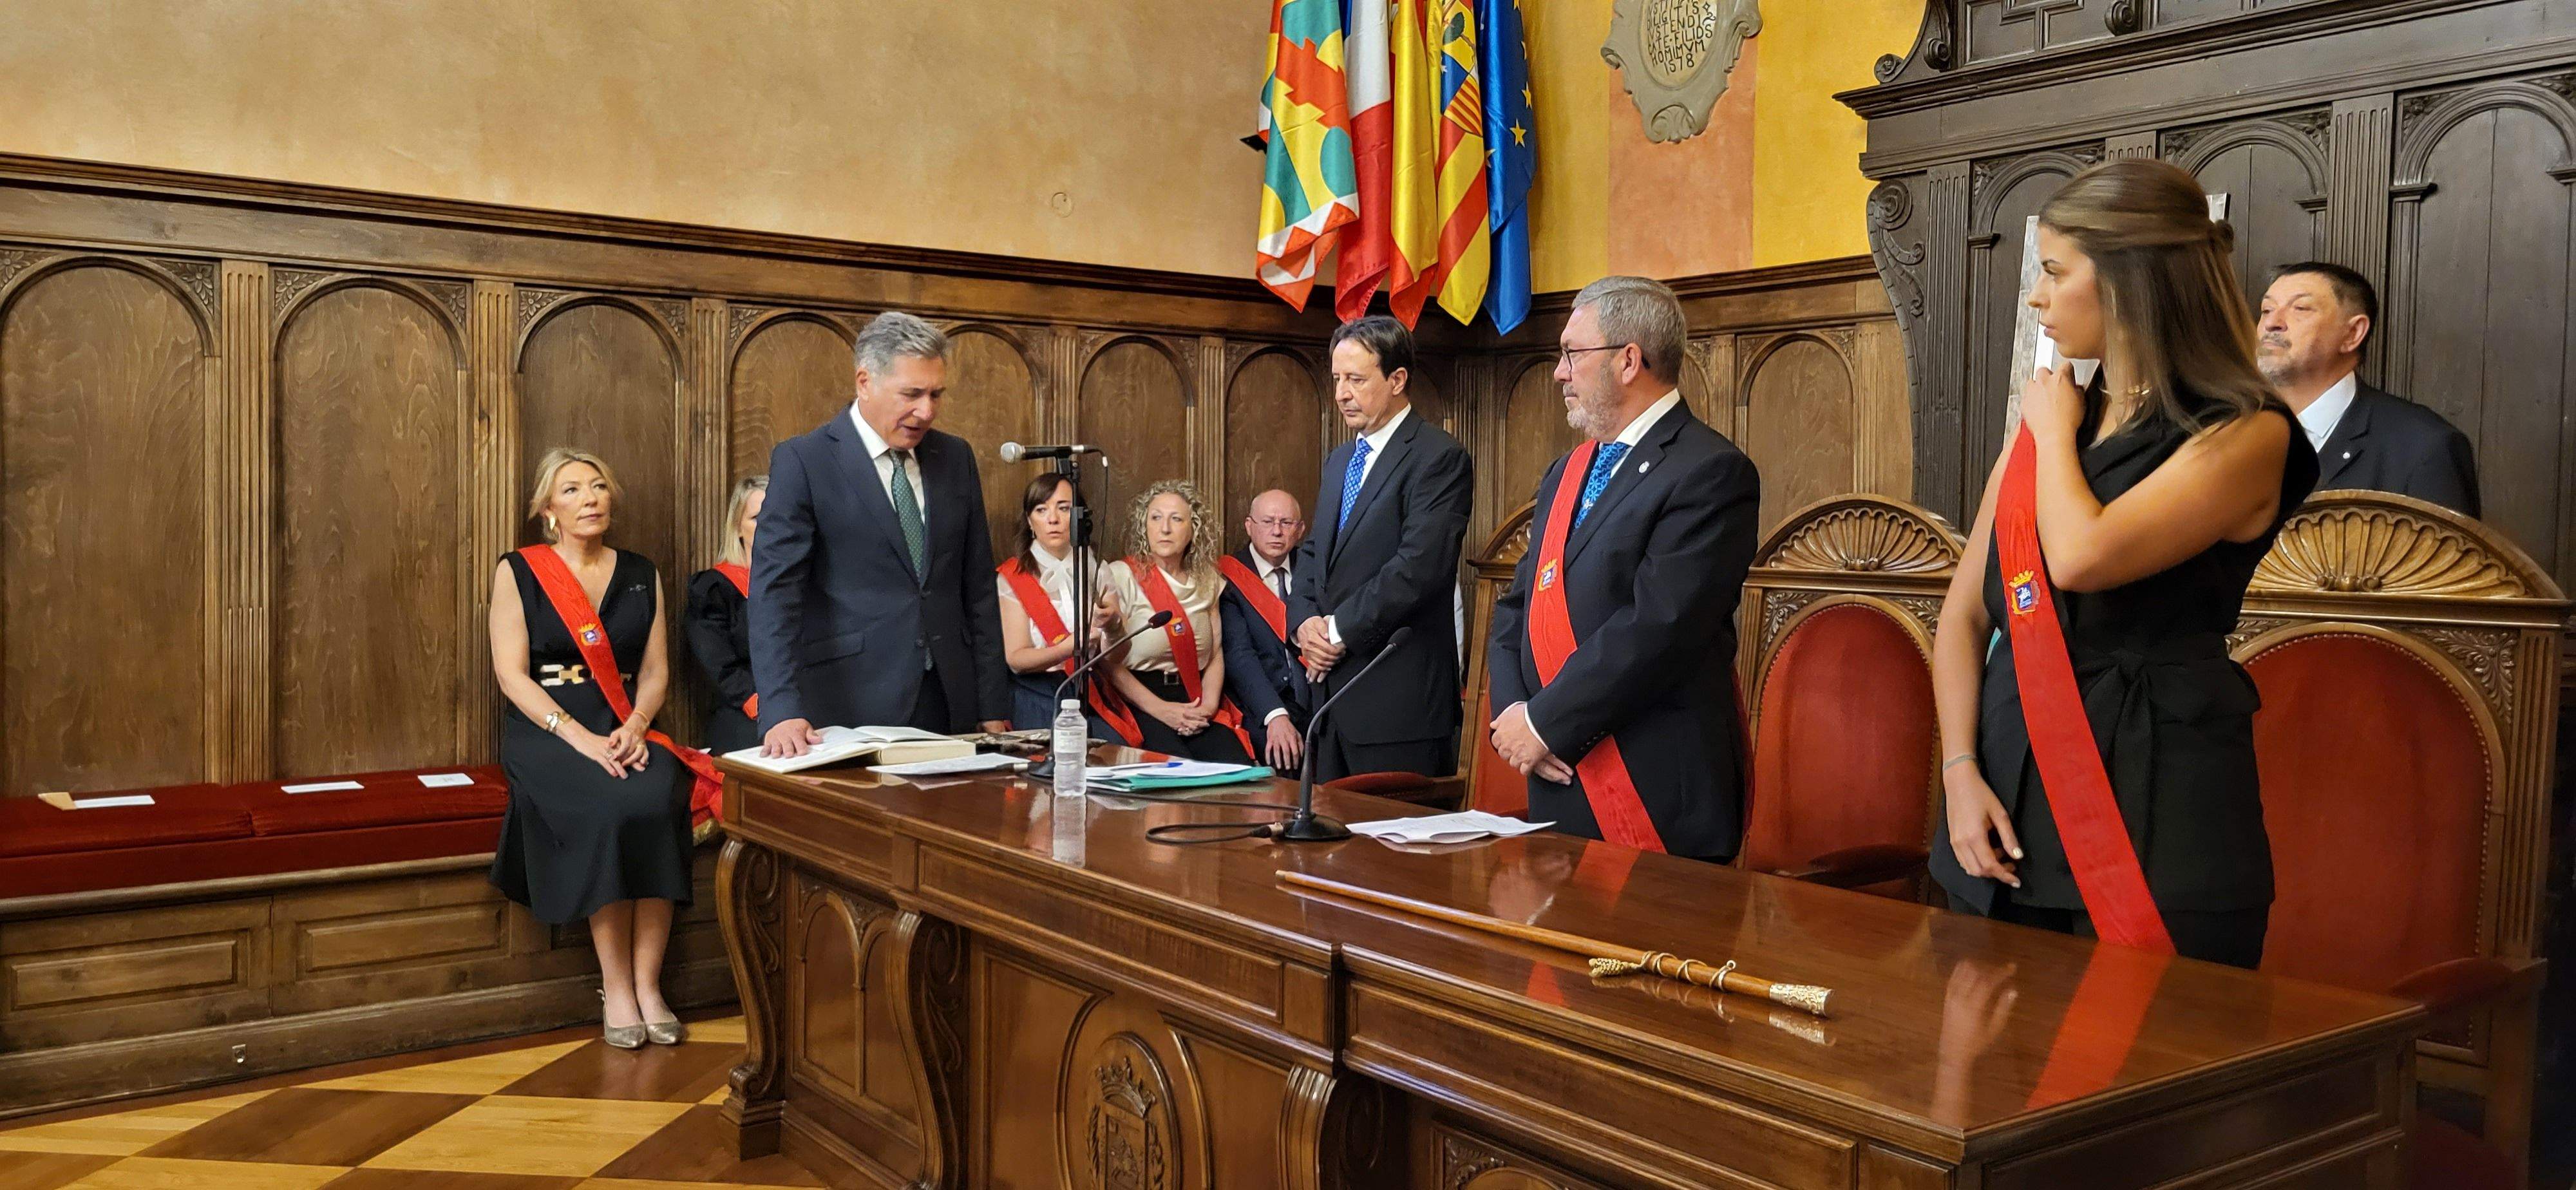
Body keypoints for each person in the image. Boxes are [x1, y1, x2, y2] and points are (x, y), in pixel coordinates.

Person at [1930, 159, 2319, 969]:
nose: (2036, 298)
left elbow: (2080, 556)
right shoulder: (2056, 420)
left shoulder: (2246, 430)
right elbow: (1964, 616)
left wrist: (2048, 435)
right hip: (2000, 803)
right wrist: (1959, 770)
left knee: (2147, 1041)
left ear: (2128, 279)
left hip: (2154, 811)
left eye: (2053, 271)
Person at [1486, 276, 1761, 863]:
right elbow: (1517, 607)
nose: (1559, 372)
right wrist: (1514, 715)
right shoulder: (1566, 471)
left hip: (1652, 784)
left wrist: (1544, 722)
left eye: (1572, 353)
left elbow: (1659, 628)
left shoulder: (1711, 471)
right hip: (1558, 772)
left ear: (1629, 361)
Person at [489, 448, 707, 1048]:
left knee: (660, 796)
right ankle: (617, 989)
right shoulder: (520, 571)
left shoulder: (640, 572)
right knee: (610, 805)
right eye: (572, 489)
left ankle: (649, 986)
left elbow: (656, 671)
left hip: (623, 725)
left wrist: (635, 726)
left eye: (598, 486)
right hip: (549, 730)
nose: (590, 498)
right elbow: (511, 676)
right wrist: (579, 737)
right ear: (548, 510)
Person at [750, 311, 1012, 755]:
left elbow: (979, 588)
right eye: (911, 394)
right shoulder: (805, 461)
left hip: (950, 698)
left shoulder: (955, 457)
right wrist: (780, 708)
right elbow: (775, 595)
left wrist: (992, 702)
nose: (926, 411)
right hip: (847, 701)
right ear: (865, 382)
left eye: (936, 394)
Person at [1288, 316, 1473, 780]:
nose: (1341, 394)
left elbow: (1418, 569)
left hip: (1397, 708)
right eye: (1337, 379)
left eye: (1356, 379)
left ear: (1397, 380)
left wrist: (1337, 631)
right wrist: (1305, 623)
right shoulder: (1339, 459)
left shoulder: (1438, 457)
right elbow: (1314, 553)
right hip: (1328, 702)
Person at [2255, 261, 2479, 516]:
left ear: (2353, 333)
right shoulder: (2234, 428)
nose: (2272, 323)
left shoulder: (2425, 447)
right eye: (2266, 310)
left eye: (2301, 308)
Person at [1101, 480, 1258, 764]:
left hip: (1195, 699)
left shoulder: (1207, 580)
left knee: (1238, 770)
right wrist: (1162, 710)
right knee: (1177, 773)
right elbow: (1108, 663)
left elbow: (1216, 654)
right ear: (1144, 526)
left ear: (1193, 528)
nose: (1165, 529)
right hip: (1141, 702)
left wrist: (1207, 707)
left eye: (1176, 519)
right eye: (1156, 518)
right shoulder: (1121, 576)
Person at [996, 472, 1132, 741]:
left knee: (1115, 751)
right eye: (1041, 510)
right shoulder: (1014, 576)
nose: (1053, 519)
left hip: (1091, 691)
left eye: (1064, 508)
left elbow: (1117, 657)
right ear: (1030, 521)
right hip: (1036, 693)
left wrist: (1114, 627)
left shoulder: (1097, 569)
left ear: (1080, 517)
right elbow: (1016, 660)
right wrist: (1066, 649)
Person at [1218, 489, 1314, 771]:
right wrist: (1275, 715)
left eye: (1286, 523)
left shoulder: (1314, 569)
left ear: (1300, 530)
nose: (1277, 531)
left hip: (1318, 699)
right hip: (1263, 703)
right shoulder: (1228, 578)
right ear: (1249, 526)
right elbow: (1239, 655)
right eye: (1268, 522)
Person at [685, 475, 767, 755]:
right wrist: (765, 707)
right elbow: (719, 665)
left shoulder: (808, 586)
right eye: (757, 517)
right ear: (738, 528)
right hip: (745, 711)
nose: (769, 524)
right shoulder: (716, 589)